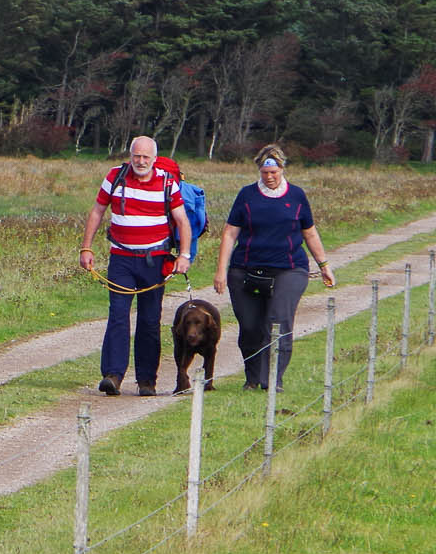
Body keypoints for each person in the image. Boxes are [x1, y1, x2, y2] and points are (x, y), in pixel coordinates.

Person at [212, 144, 337, 390]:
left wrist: (324, 265)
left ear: (282, 170)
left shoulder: (296, 196)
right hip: (246, 268)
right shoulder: (247, 195)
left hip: (289, 268)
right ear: (259, 171)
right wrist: (221, 271)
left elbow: (309, 232)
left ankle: (273, 379)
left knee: (277, 320)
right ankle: (253, 377)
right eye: (265, 173)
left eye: (274, 173)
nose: (269, 177)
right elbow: (229, 233)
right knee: (250, 325)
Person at [79, 135, 193, 396]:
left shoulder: (167, 182)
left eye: (145, 157)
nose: (140, 162)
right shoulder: (115, 176)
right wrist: (86, 248)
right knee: (118, 315)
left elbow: (183, 221)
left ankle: (146, 381)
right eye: (136, 156)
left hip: (155, 261)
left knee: (150, 321)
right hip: (121, 259)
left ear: (154, 159)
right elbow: (97, 210)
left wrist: (183, 256)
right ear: (130, 156)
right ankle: (113, 375)